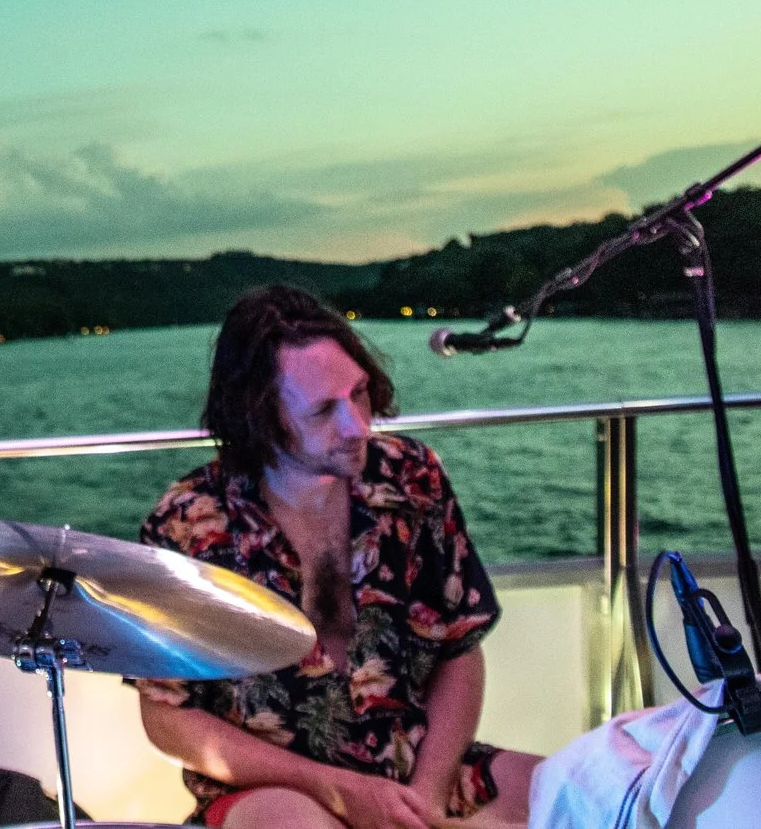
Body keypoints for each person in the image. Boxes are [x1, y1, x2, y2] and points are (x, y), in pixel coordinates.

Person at [136, 286, 537, 829]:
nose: (357, 426)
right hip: (277, 788)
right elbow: (166, 717)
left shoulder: (411, 476)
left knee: (583, 793)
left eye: (360, 393)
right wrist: (338, 790)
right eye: (324, 410)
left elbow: (458, 649)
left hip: (416, 769)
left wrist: (428, 795)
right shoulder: (190, 522)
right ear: (260, 418)